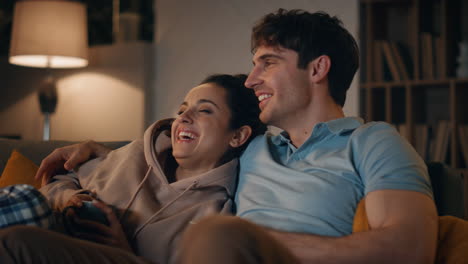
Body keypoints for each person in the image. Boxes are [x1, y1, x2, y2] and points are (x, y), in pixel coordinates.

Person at [34, 9, 438, 264]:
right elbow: (189, 147)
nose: (251, 79)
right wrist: (98, 154)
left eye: (268, 63)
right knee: (19, 243)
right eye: (253, 65)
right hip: (218, 251)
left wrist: (262, 243)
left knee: (216, 234)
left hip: (239, 250)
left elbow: (408, 248)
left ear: (317, 70)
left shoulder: (373, 142)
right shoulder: (255, 146)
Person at [0, 74, 266, 264]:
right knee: (27, 203)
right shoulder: (135, 155)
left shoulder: (214, 214)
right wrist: (69, 199)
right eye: (183, 109)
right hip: (52, 232)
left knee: (16, 240)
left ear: (238, 136)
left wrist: (124, 251)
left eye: (205, 111)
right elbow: (60, 179)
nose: (183, 117)